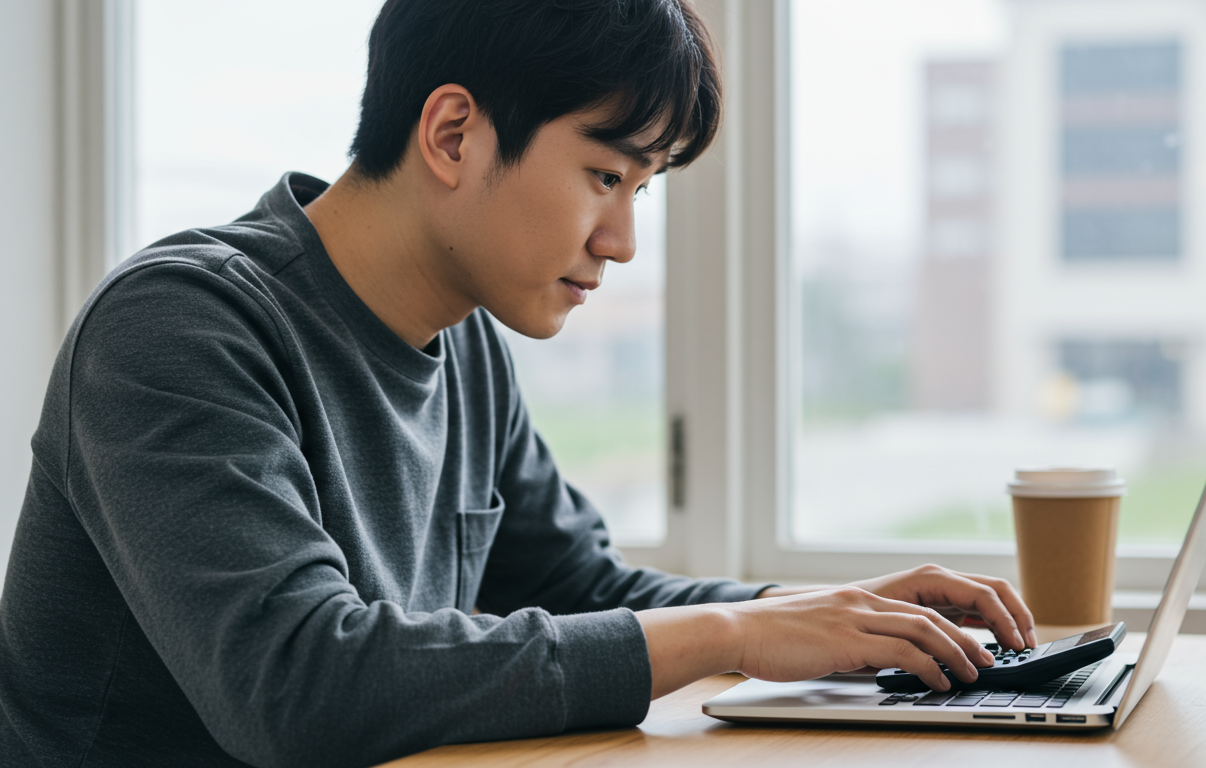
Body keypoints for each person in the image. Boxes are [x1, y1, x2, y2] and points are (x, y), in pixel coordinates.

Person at [0, 1, 1037, 766]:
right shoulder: (177, 326)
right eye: (604, 176)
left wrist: (824, 614)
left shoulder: (465, 344)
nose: (624, 241)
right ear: (453, 134)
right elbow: (299, 685)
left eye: (642, 189)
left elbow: (587, 593)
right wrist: (734, 634)